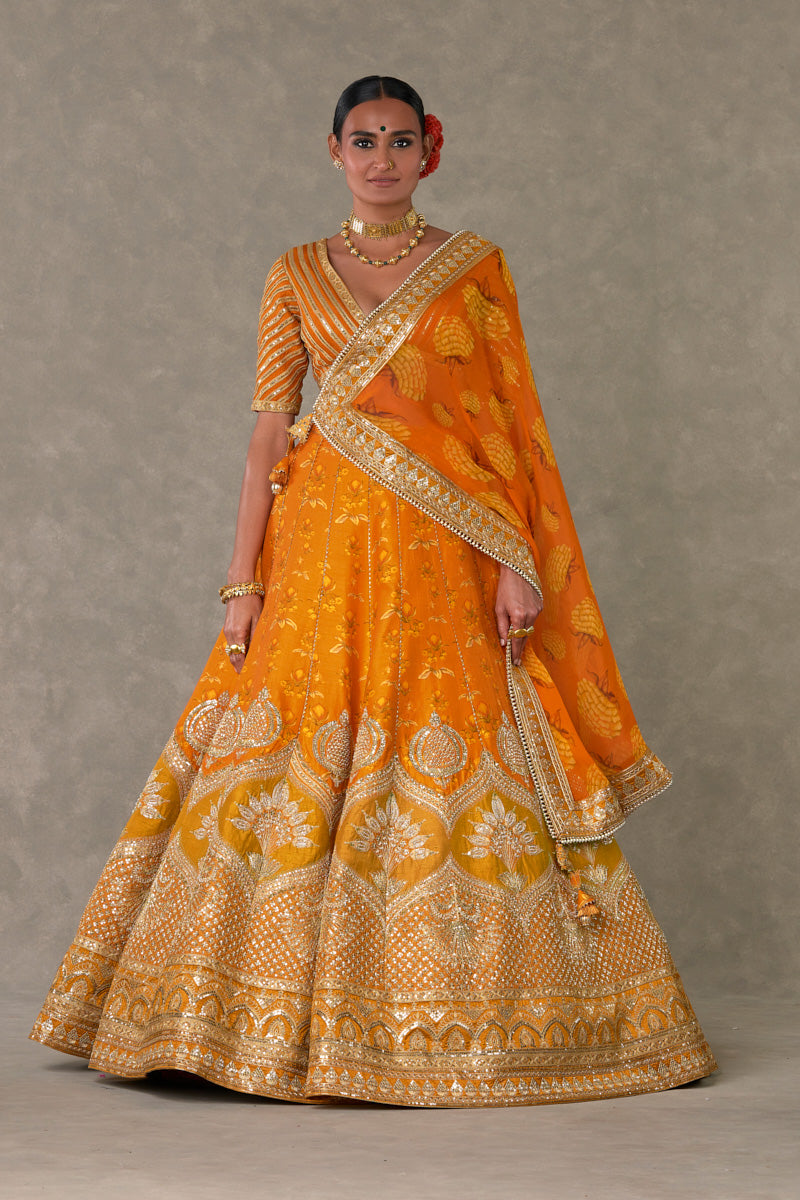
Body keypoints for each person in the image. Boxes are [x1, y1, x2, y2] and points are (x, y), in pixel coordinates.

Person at [31, 75, 716, 1107]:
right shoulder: (295, 271)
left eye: (401, 140)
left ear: (428, 151)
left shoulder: (473, 267)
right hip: (319, 545)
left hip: (446, 543)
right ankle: (244, 1020)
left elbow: (508, 428)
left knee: (452, 732)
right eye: (364, 140)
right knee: (295, 735)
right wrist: (241, 582)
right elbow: (269, 431)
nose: (382, 158)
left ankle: (475, 1016)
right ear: (334, 150)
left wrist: (515, 560)